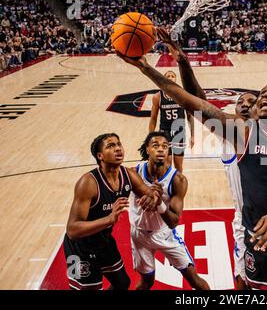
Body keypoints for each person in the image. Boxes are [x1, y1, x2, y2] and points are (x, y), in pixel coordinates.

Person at [116, 16, 267, 290]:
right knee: (247, 285)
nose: (248, 103)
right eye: (243, 102)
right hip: (251, 223)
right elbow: (193, 99)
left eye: (253, 100)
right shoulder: (238, 131)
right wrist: (155, 66)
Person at [64, 133, 162, 290]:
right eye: (111, 146)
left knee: (122, 284)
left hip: (103, 241)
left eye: (119, 144)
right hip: (79, 248)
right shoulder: (88, 183)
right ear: (100, 155)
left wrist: (155, 196)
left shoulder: (128, 175)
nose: (118, 149)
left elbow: (150, 195)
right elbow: (72, 230)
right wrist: (109, 220)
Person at [129, 131, 210, 290]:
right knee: (147, 282)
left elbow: (173, 222)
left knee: (194, 279)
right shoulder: (134, 173)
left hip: (164, 233)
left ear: (168, 151)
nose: (160, 149)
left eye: (165, 147)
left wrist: (159, 203)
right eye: (155, 146)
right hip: (139, 235)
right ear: (147, 149)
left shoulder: (178, 180)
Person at [148, 70, 195, 173]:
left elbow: (189, 116)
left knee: (178, 165)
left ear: (175, 79)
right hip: (165, 132)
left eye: (172, 76)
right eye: (168, 75)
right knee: (166, 164)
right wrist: (150, 136)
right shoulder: (158, 96)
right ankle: (166, 187)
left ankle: (178, 187)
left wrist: (192, 135)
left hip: (179, 132)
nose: (170, 77)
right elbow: (153, 118)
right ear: (164, 79)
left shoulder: (182, 95)